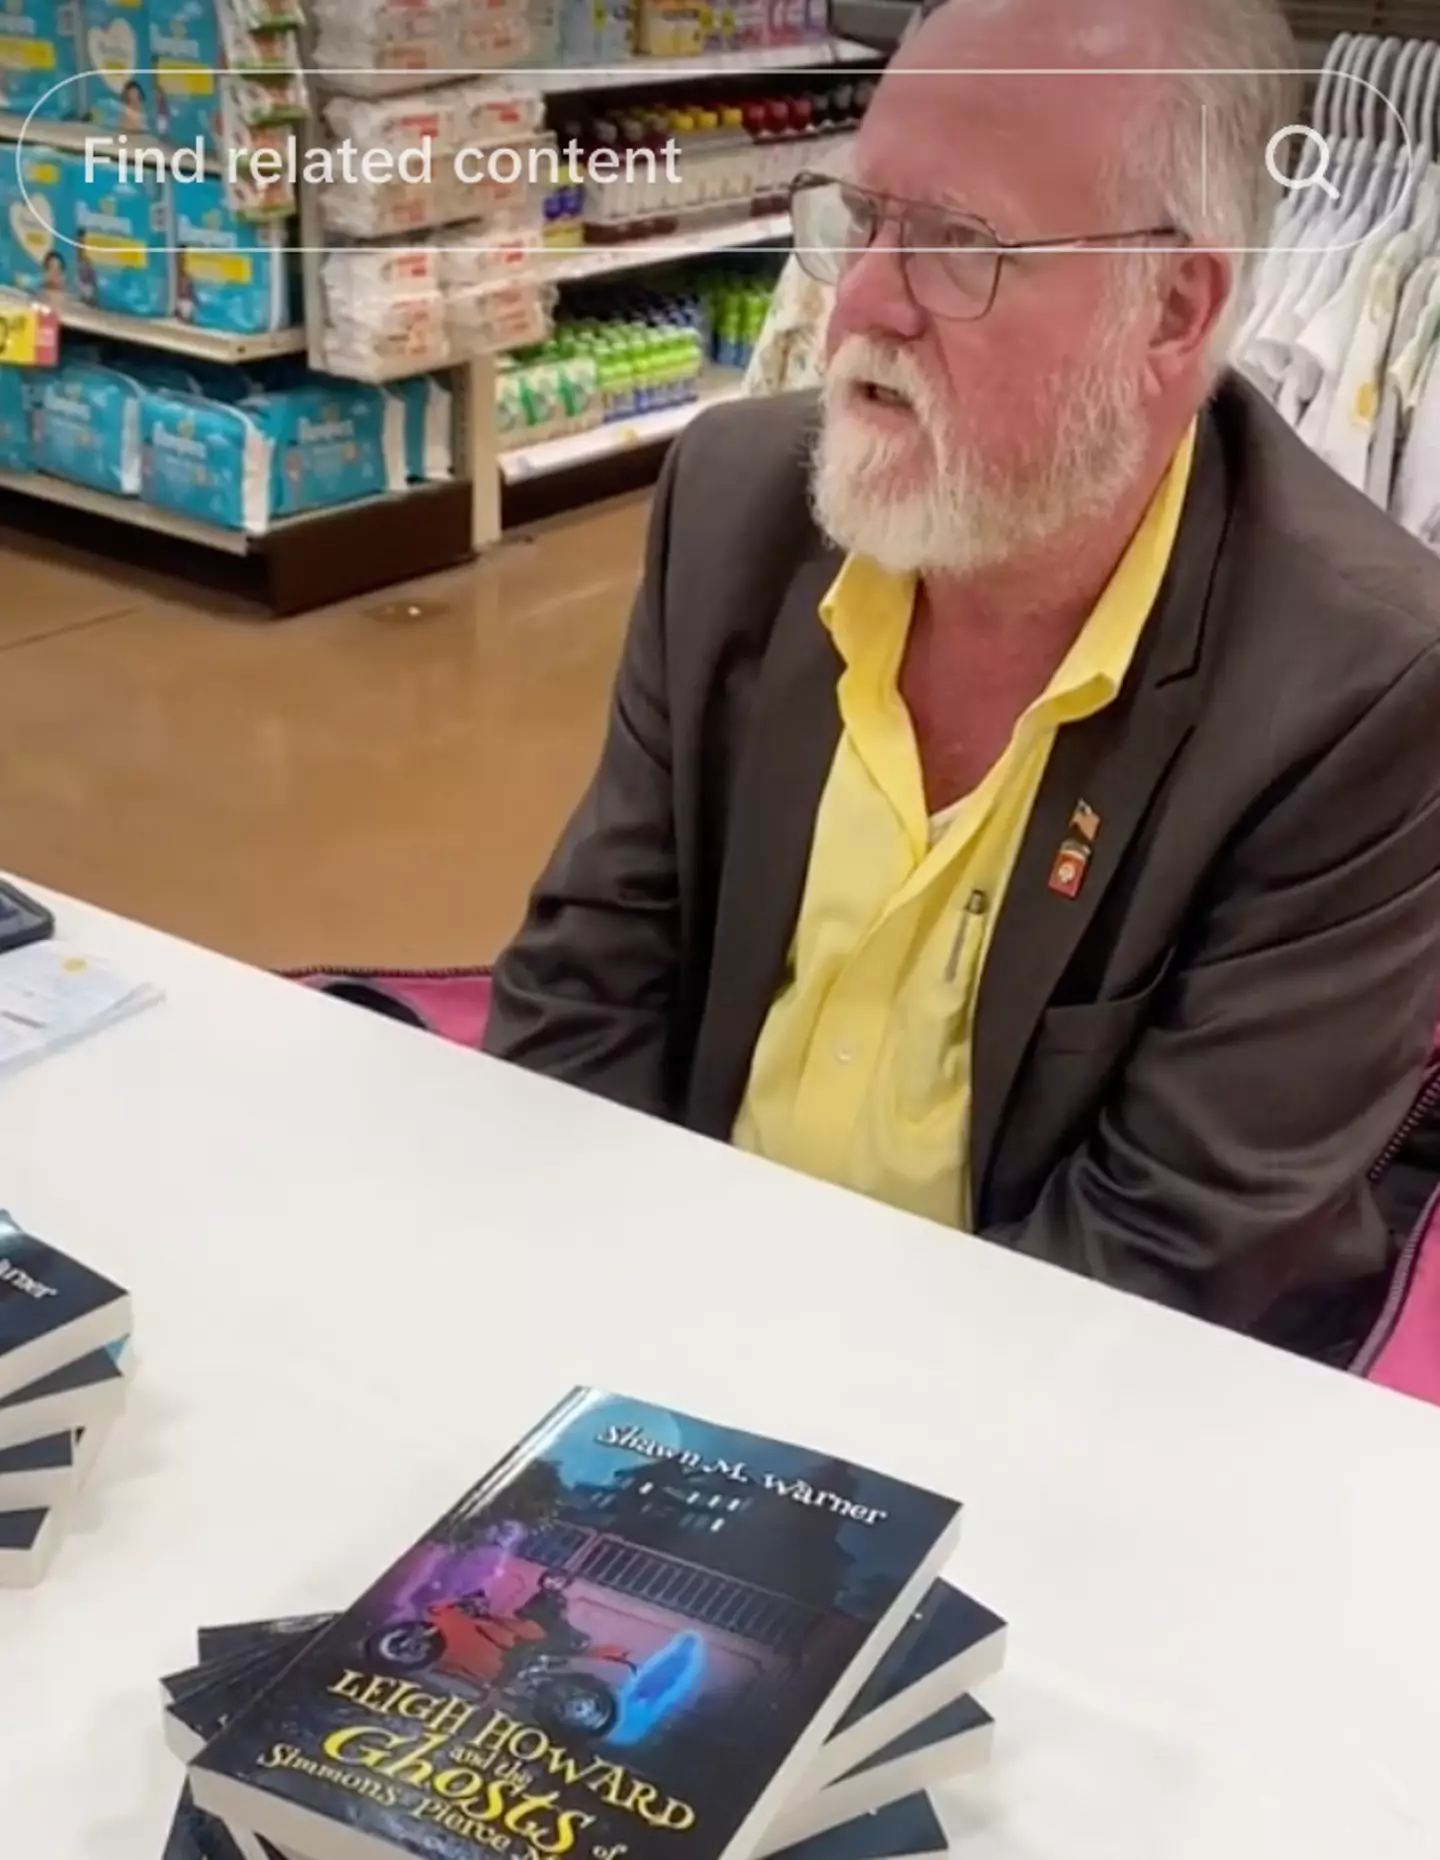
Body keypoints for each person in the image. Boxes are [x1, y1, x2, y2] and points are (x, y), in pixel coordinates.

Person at [484, 0, 1440, 1364]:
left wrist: (792, 1449)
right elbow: (586, 991)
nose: (860, 301)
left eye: (954, 247)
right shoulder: (736, 507)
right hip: (663, 1336)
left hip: (1055, 1430)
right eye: (860, 218)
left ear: (1172, 309)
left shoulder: (1362, 689)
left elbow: (1171, 1259)